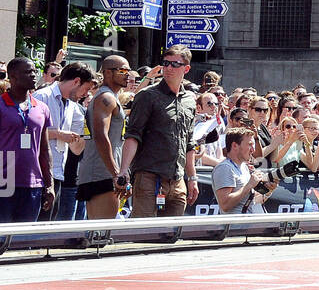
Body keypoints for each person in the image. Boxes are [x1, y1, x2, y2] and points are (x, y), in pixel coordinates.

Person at [115, 46, 200, 218]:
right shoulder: (147, 96)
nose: (168, 68)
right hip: (148, 176)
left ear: (186, 68)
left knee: (171, 235)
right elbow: (133, 135)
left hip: (177, 180)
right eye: (166, 63)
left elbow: (189, 143)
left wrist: (192, 178)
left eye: (175, 64)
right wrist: (123, 171)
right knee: (144, 233)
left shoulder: (189, 100)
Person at [0, 58, 55, 223]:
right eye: (28, 72)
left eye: (34, 71)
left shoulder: (42, 108)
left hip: (33, 184)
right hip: (1, 185)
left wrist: (50, 184)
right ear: (12, 76)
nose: (34, 75)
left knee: (23, 242)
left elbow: (45, 149)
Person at [32, 62, 95, 221]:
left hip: (58, 172)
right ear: (76, 81)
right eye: (85, 89)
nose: (85, 94)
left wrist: (85, 136)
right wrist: (59, 134)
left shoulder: (73, 106)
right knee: (36, 222)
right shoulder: (42, 96)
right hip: (38, 171)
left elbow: (77, 148)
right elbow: (30, 134)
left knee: (49, 222)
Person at [77, 55, 130, 220]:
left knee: (103, 233)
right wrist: (115, 173)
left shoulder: (112, 97)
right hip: (101, 174)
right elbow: (101, 136)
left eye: (128, 70)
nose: (127, 74)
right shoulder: (105, 98)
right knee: (100, 234)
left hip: (107, 172)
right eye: (122, 70)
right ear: (107, 73)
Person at [212, 127, 269, 214]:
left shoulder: (244, 167)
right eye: (249, 144)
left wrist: (269, 191)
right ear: (235, 145)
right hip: (234, 226)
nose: (253, 150)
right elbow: (225, 205)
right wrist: (250, 185)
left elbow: (252, 202)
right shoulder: (224, 168)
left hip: (248, 224)